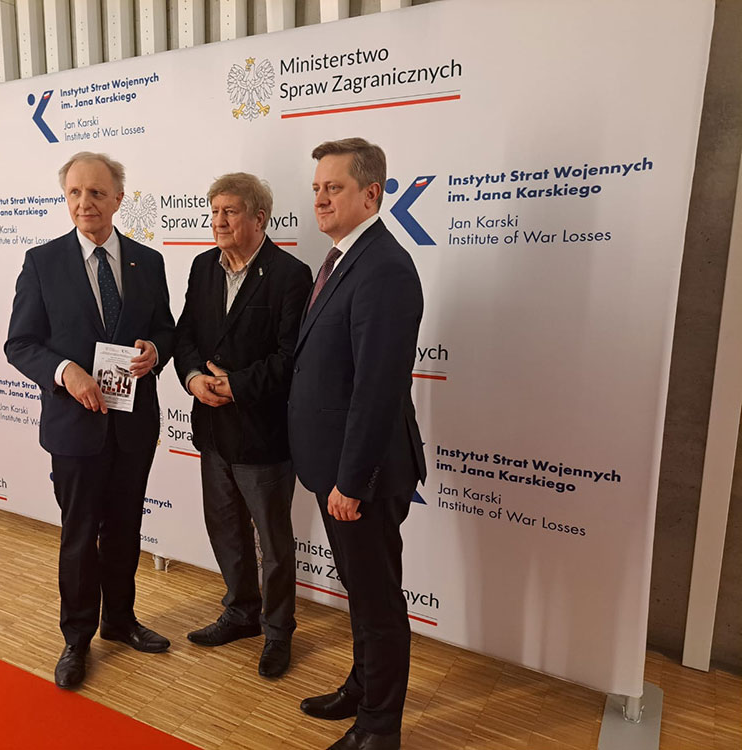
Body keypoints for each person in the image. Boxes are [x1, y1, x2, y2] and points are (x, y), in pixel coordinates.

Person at [4, 152, 176, 690]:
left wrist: (155, 352)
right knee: (80, 536)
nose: (85, 203)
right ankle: (76, 638)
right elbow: (20, 344)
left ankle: (119, 621)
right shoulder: (42, 262)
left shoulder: (148, 262)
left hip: (133, 427)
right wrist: (65, 371)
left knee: (125, 530)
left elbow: (167, 330)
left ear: (119, 199)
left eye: (97, 193)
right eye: (75, 193)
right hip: (74, 428)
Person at [288, 139, 427, 750]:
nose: (320, 198)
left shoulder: (384, 268)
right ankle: (361, 687)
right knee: (361, 593)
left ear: (371, 193)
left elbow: (377, 389)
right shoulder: (345, 258)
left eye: (334, 188)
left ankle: (378, 728)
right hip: (336, 469)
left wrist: (351, 481)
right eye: (317, 188)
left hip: (361, 476)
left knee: (377, 602)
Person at [173, 173, 312, 678]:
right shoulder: (202, 267)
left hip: (262, 434)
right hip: (212, 428)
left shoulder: (290, 274)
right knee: (226, 529)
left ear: (259, 217)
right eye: (214, 212)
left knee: (273, 544)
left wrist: (237, 385)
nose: (218, 221)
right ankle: (240, 612)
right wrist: (193, 378)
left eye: (229, 211)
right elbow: (185, 336)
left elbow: (291, 357)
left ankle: (278, 631)